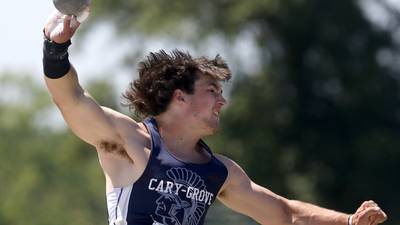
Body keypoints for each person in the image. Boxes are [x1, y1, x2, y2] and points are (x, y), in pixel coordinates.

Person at [42, 10, 387, 225]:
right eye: (212, 91)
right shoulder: (129, 142)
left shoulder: (219, 172)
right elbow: (71, 99)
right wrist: (55, 50)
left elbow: (285, 214)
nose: (223, 101)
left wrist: (349, 222)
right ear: (180, 97)